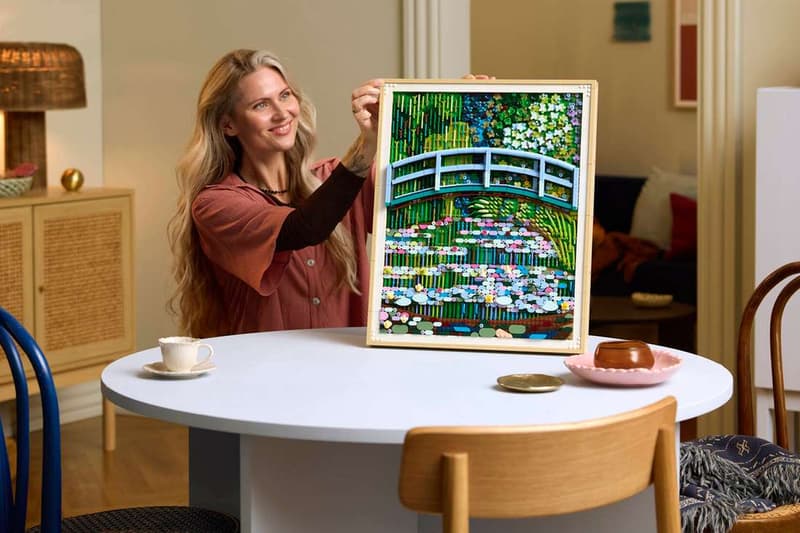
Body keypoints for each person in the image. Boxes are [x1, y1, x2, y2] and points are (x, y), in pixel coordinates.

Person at [167, 49, 382, 337]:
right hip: (260, 378)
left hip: (348, 375)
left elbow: (429, 192)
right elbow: (304, 227)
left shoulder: (335, 179)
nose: (282, 114)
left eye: (285, 96)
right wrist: (365, 146)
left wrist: (459, 105)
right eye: (260, 105)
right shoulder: (215, 205)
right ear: (228, 124)